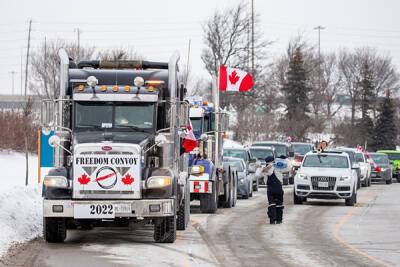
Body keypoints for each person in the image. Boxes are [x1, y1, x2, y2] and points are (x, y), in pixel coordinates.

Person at [263, 156, 284, 224]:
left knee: (276, 204)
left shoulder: (276, 167)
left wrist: (284, 160)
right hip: (274, 188)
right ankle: (276, 219)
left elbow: (287, 168)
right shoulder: (266, 168)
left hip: (274, 188)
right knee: (274, 204)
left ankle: (276, 220)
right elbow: (258, 174)